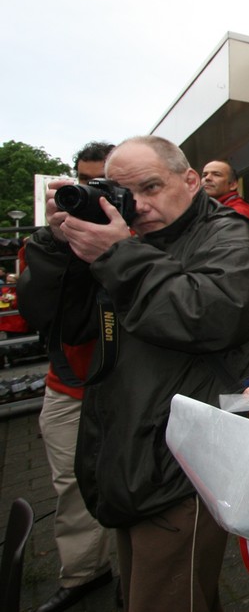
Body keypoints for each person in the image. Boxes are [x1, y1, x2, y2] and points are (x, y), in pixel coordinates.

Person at [18, 135, 249, 612]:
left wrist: (118, 255)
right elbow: (59, 322)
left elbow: (209, 316)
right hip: (133, 454)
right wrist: (58, 246)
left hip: (181, 464)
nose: (138, 205)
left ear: (190, 180)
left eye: (151, 187)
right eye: (126, 193)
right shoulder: (136, 240)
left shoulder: (230, 236)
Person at [26, 142, 119, 612]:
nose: (93, 192)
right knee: (71, 483)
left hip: (124, 384)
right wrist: (56, 240)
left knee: (134, 481)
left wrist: (122, 248)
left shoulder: (141, 231)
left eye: (105, 182)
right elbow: (38, 311)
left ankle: (137, 575)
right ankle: (84, 572)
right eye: (85, 182)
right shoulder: (51, 238)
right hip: (69, 383)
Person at [201, 159, 249, 225]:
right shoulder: (208, 209)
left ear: (233, 185)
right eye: (204, 175)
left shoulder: (238, 213)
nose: (207, 178)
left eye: (216, 174)